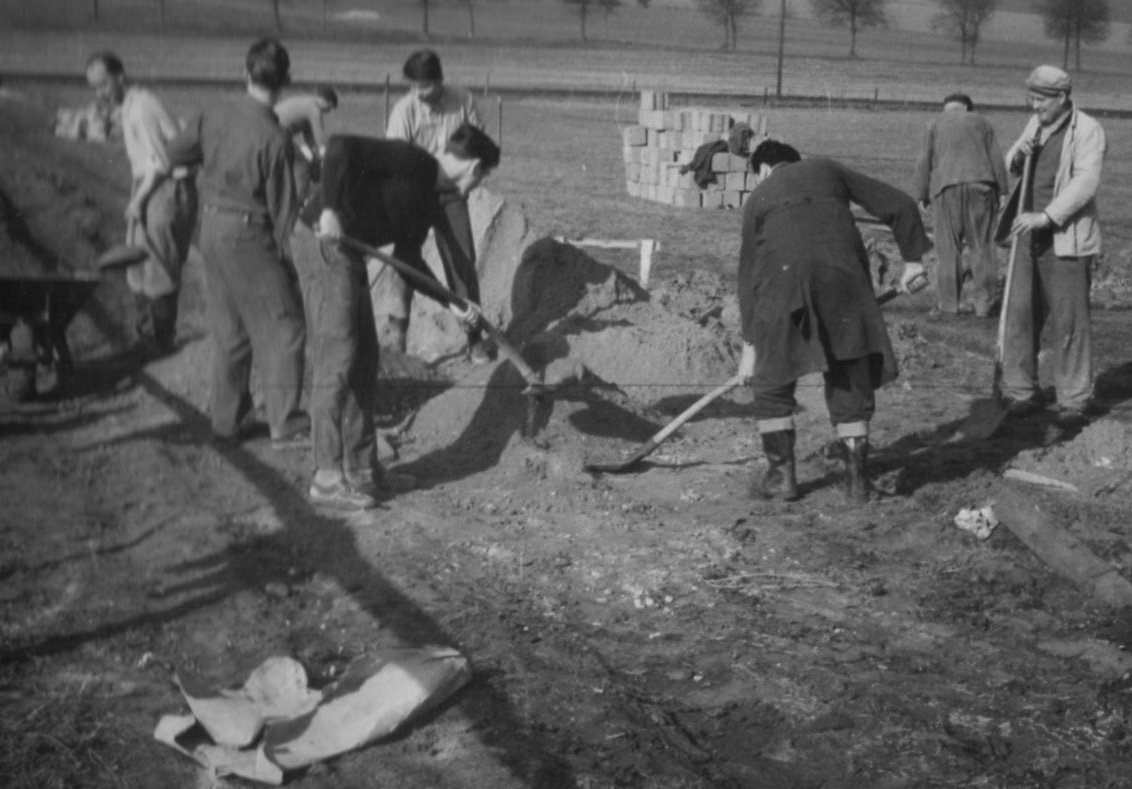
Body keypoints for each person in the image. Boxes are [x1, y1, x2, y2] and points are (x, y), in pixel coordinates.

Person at [301, 124, 501, 509]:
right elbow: (340, 145)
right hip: (322, 241)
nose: (474, 190)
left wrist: (453, 303)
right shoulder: (414, 162)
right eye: (480, 180)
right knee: (339, 358)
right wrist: (329, 211)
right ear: (475, 169)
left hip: (350, 252)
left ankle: (363, 470)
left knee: (365, 358)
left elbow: (407, 263)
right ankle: (326, 477)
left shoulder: (428, 199)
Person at [737, 140, 932, 504]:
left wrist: (750, 347)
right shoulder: (827, 169)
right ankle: (857, 483)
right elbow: (901, 205)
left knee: (771, 380)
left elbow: (748, 275)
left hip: (781, 283)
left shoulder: (758, 197)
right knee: (848, 372)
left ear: (763, 169)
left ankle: (781, 478)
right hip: (844, 280)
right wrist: (913, 263)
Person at [164, 38, 307, 448]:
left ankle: (228, 421)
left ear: (245, 73)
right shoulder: (276, 138)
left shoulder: (214, 111)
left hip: (210, 227)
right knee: (286, 325)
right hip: (247, 232)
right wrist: (291, 265)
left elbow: (175, 153)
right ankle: (286, 422)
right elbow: (284, 216)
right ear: (286, 80)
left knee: (231, 328)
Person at [996, 65, 1105, 428]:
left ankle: (1074, 398)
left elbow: (1086, 183)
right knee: (1019, 314)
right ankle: (1020, 391)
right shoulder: (1036, 124)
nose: (1034, 106)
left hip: (1065, 238)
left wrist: (1046, 216)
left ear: (1061, 97)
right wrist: (1019, 154)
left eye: (1041, 100)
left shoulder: (1087, 130)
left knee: (1068, 320)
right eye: (1031, 98)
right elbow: (1011, 163)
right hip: (1026, 235)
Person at [85, 51, 199, 355]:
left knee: (158, 265)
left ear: (120, 77)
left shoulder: (141, 108)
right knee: (138, 264)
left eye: (103, 85)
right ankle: (145, 337)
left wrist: (138, 201)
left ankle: (160, 342)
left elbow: (161, 163)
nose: (100, 93)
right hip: (151, 183)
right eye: (94, 88)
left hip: (167, 186)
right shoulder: (129, 106)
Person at [383, 49, 489, 363]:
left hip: (451, 193)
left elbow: (480, 150)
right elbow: (393, 161)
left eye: (425, 87)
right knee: (404, 261)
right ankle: (398, 338)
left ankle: (474, 338)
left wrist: (469, 181)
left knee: (462, 261)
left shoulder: (463, 101)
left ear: (440, 81)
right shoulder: (404, 111)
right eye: (414, 87)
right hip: (413, 193)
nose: (419, 93)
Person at [914, 92, 1008, 318]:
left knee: (948, 249)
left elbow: (923, 160)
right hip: (981, 187)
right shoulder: (982, 122)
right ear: (968, 107)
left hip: (946, 189)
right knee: (982, 247)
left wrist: (921, 193)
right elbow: (996, 157)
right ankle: (984, 305)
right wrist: (1003, 190)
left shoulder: (934, 124)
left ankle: (949, 305)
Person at [274, 85, 338, 199]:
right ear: (324, 101)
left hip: (271, 130)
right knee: (302, 165)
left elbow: (309, 135)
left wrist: (315, 153)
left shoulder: (307, 103)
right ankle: (299, 200)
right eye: (329, 108)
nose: (328, 112)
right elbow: (319, 135)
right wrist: (325, 154)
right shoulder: (314, 110)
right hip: (278, 135)